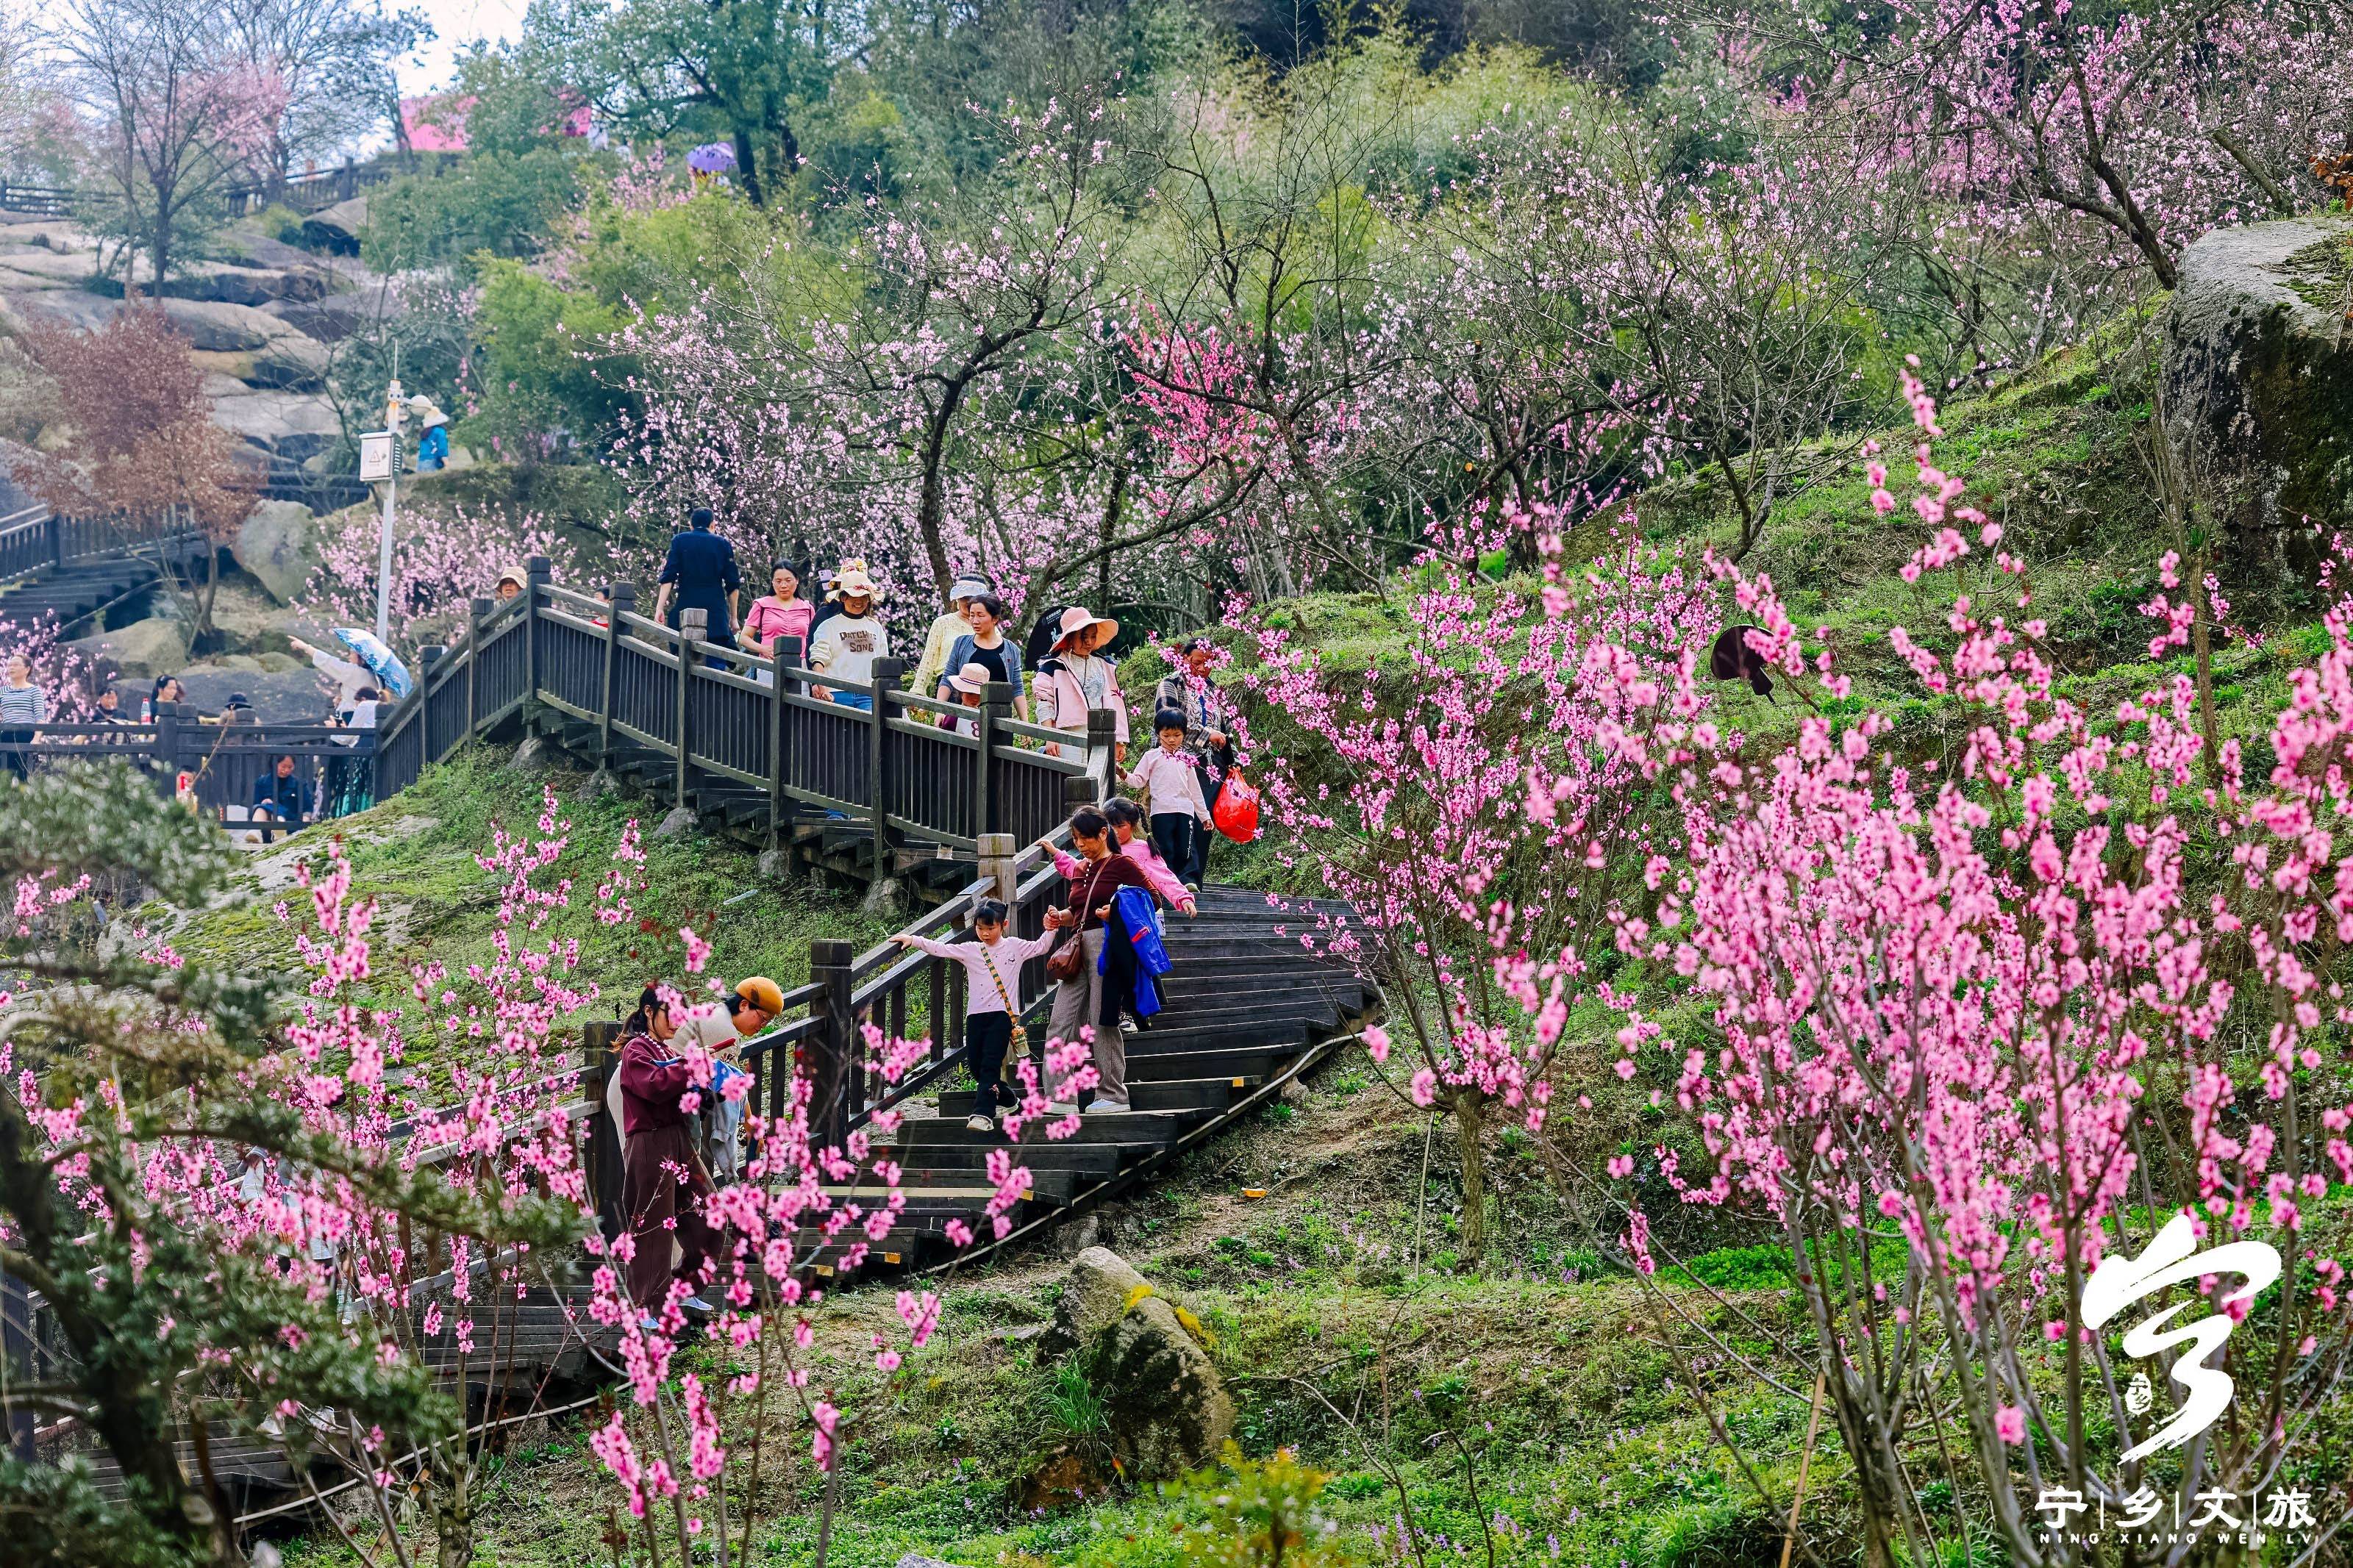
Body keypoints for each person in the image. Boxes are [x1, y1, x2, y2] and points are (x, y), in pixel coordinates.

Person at [894, 899, 1057, 1132]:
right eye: (981, 928)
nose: (985, 933)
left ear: (1003, 925)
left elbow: (1041, 947)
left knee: (990, 1065)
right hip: (976, 1016)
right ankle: (1010, 1100)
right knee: (976, 1067)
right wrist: (913, 940)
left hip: (1002, 1016)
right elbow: (942, 949)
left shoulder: (1014, 947)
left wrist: (1051, 928)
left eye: (991, 928)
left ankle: (983, 1114)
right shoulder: (972, 949)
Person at [1040, 806, 1153, 1114]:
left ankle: (1114, 1095)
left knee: (1102, 1020)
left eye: (1085, 839)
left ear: (1104, 833)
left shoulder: (1123, 865)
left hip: (1107, 945)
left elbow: (1152, 899)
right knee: (1060, 1021)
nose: (1080, 845)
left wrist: (1116, 910)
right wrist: (1059, 917)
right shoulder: (1079, 869)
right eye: (1075, 839)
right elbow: (1078, 912)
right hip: (1078, 947)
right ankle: (1061, 1096)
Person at [615, 987, 716, 1319]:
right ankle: (645, 1306)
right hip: (650, 1143)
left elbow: (680, 1090)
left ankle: (683, 1288)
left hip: (677, 1138)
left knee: (709, 1212)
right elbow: (655, 1085)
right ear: (648, 1012)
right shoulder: (636, 1050)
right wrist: (690, 1065)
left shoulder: (663, 1048)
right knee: (653, 1225)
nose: (677, 1021)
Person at [667, 975, 784, 1181]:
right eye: (763, 1019)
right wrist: (750, 1125)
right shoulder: (725, 1031)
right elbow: (735, 1086)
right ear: (744, 1005)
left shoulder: (718, 1013)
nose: (763, 1026)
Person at [1155, 637, 1235, 887]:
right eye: (1196, 662)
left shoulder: (1214, 690)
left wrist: (1234, 762)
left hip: (1214, 763)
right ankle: (1180, 878)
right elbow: (1167, 723)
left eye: (1208, 663)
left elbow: (1227, 727)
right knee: (1182, 817)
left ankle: (1194, 879)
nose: (1202, 668)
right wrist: (1205, 734)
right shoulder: (1171, 684)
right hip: (1179, 759)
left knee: (1205, 820)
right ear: (1184, 659)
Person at [1126, 711, 1213, 896]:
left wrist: (1204, 816)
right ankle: (1167, 883)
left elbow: (1195, 791)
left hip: (1185, 811)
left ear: (1184, 734)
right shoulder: (1152, 756)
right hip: (1161, 812)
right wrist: (1123, 774)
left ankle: (1187, 881)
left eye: (1177, 735)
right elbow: (1138, 780)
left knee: (1186, 848)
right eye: (1166, 736)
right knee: (1165, 848)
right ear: (1158, 734)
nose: (1172, 740)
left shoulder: (1187, 760)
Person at [1033, 606, 1127, 768]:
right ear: (1070, 638)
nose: (1089, 642)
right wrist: (1050, 737)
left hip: (1101, 733)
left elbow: (1114, 702)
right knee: (1070, 781)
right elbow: (1044, 702)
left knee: (1100, 784)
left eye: (1093, 636)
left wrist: (1118, 740)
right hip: (1069, 734)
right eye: (1083, 637)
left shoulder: (1102, 664)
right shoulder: (1053, 665)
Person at [652, 506, 742, 653]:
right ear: (713, 525)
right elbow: (733, 584)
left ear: (690, 525)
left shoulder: (679, 541)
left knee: (684, 663)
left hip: (686, 610)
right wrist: (733, 617)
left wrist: (659, 608)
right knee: (715, 664)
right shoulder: (723, 544)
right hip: (715, 615)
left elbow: (669, 577)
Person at [808, 565, 888, 709]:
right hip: (837, 692)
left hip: (868, 693)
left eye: (864, 597)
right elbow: (819, 659)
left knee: (869, 731)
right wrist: (822, 686)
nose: (859, 601)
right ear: (843, 597)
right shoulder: (828, 626)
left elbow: (884, 663)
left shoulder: (876, 627)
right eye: (853, 596)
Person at [937, 594, 1026, 720]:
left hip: (999, 719)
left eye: (980, 615)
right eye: (972, 615)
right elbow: (947, 678)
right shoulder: (961, 643)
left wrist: (1024, 723)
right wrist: (939, 710)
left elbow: (1017, 688)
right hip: (965, 717)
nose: (974, 621)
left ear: (994, 619)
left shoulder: (1011, 650)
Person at [912, 573, 993, 700]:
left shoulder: (989, 626)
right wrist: (918, 690)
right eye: (964, 598)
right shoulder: (943, 623)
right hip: (949, 685)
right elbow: (928, 660)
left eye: (973, 598)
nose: (968, 602)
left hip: (981, 688)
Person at [742, 561, 815, 681]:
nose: (783, 585)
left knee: (799, 699)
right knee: (768, 699)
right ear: (772, 582)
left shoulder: (807, 608)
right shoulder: (762, 605)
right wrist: (762, 649)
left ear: (796, 580)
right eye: (778, 581)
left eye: (788, 580)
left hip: (801, 667)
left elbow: (815, 640)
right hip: (769, 665)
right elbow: (744, 638)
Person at [0, 655, 45, 780]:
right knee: (4, 777)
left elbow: (40, 717)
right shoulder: (2, 691)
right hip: (6, 735)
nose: (11, 668)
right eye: (9, 665)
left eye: (16, 665)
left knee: (23, 776)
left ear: (27, 669)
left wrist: (36, 739)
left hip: (26, 736)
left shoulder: (34, 691)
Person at [249, 753, 309, 842]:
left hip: (290, 824)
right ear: (274, 764)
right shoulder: (262, 782)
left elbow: (308, 808)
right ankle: (255, 832)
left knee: (269, 805)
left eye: (290, 767)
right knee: (260, 808)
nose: (286, 770)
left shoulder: (299, 784)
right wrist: (266, 804)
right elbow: (256, 805)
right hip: (267, 826)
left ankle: (279, 823)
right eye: (283, 767)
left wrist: (303, 824)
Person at [938, 662, 992, 736]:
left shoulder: (984, 716)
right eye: (970, 693)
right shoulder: (954, 717)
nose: (975, 699)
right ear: (960, 692)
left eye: (980, 695)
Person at [407, 395, 451, 472]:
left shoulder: (425, 433)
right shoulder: (440, 431)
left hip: (421, 462)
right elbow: (442, 448)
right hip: (433, 462)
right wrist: (446, 463)